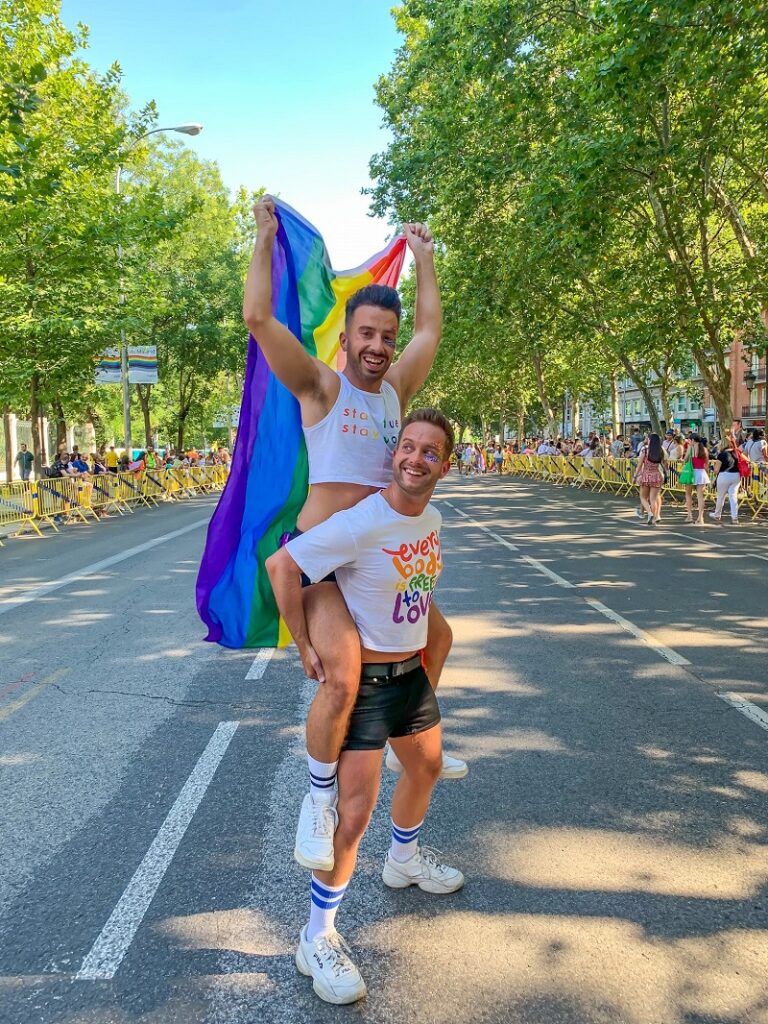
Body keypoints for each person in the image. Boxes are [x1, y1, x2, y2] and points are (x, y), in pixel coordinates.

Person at [243, 197, 463, 874]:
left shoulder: (395, 390)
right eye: (365, 334)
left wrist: (424, 260)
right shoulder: (320, 385)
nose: (377, 346)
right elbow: (258, 318)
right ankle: (316, 801)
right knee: (341, 675)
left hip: (381, 562)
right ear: (347, 337)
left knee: (438, 637)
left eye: (385, 337)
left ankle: (412, 727)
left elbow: (431, 328)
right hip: (324, 566)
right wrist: (262, 239)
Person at [266, 409, 464, 1006]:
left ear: (444, 466)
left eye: (430, 452)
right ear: (394, 453)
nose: (415, 458)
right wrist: (305, 645)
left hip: (412, 678)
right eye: (408, 446)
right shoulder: (363, 521)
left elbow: (417, 590)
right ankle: (315, 938)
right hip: (371, 688)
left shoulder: (430, 517)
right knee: (352, 819)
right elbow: (284, 565)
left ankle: (403, 860)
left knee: (426, 768)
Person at [709, 432, 742, 525]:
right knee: (733, 496)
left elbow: (716, 470)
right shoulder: (737, 454)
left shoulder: (722, 454)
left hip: (724, 475)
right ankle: (735, 518)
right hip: (736, 476)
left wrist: (713, 469)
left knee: (721, 496)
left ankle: (717, 514)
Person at [633, 432, 665, 525]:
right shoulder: (661, 451)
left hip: (646, 475)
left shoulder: (645, 451)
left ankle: (649, 513)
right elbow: (663, 464)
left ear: (650, 440)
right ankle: (654, 517)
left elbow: (639, 465)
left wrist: (635, 476)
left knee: (643, 497)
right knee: (653, 499)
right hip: (656, 475)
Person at [684, 435, 710, 525]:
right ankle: (700, 517)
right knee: (700, 496)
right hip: (701, 473)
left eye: (689, 440)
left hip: (691, 473)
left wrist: (689, 449)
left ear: (693, 440)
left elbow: (685, 459)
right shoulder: (704, 449)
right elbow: (706, 464)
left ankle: (689, 515)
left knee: (688, 494)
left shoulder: (690, 448)